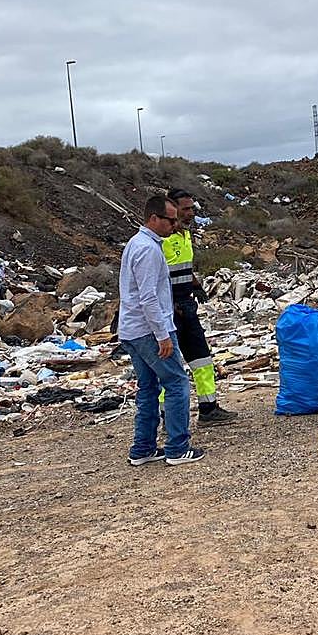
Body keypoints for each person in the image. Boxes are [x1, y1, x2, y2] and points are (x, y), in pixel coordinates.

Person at [119, 194, 204, 466]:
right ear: (154, 218)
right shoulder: (148, 249)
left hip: (133, 330)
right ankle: (178, 448)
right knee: (177, 383)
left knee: (148, 387)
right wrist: (162, 334)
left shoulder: (137, 244)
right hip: (148, 331)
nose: (174, 225)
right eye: (170, 220)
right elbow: (148, 297)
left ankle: (143, 449)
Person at [162, 188, 239, 426]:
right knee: (170, 363)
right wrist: (172, 303)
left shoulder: (185, 235)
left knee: (202, 358)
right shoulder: (163, 240)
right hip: (171, 309)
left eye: (192, 208)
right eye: (185, 209)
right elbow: (157, 278)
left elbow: (182, 267)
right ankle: (168, 415)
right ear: (172, 209)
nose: (190, 213)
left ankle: (208, 408)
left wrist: (195, 284)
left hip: (186, 304)